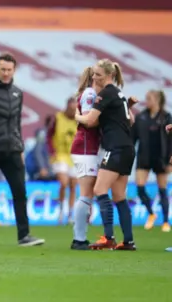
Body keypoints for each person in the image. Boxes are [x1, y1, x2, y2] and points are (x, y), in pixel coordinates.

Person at [0, 53, 44, 246]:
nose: (5, 73)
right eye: (2, 69)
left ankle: (24, 236)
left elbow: (16, 124)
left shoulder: (18, 93)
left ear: (14, 71)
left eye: (9, 70)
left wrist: (20, 147)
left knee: (20, 192)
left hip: (12, 150)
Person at [75, 59, 136, 250]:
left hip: (115, 148)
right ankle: (128, 241)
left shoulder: (106, 93)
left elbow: (91, 120)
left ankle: (108, 237)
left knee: (99, 190)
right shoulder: (119, 93)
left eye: (98, 74)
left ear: (109, 76)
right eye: (94, 74)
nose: (94, 77)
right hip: (127, 148)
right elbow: (130, 121)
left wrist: (76, 115)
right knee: (119, 196)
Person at [70, 67, 102, 250]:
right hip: (85, 147)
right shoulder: (90, 93)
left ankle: (81, 236)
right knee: (86, 193)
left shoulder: (89, 93)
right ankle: (79, 239)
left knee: (89, 193)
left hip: (88, 146)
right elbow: (91, 120)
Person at [133, 89, 172, 231]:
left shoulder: (167, 117)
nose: (147, 101)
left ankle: (166, 222)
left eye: (149, 98)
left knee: (162, 190)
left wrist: (169, 160)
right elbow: (133, 138)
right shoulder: (141, 117)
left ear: (157, 100)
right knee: (140, 188)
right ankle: (151, 213)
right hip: (144, 156)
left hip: (161, 158)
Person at [47, 97, 78, 225]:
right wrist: (52, 151)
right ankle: (60, 210)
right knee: (64, 183)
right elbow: (49, 135)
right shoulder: (57, 118)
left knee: (73, 185)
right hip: (60, 155)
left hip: (74, 155)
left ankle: (70, 214)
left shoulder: (78, 120)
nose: (72, 111)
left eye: (74, 109)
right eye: (71, 109)